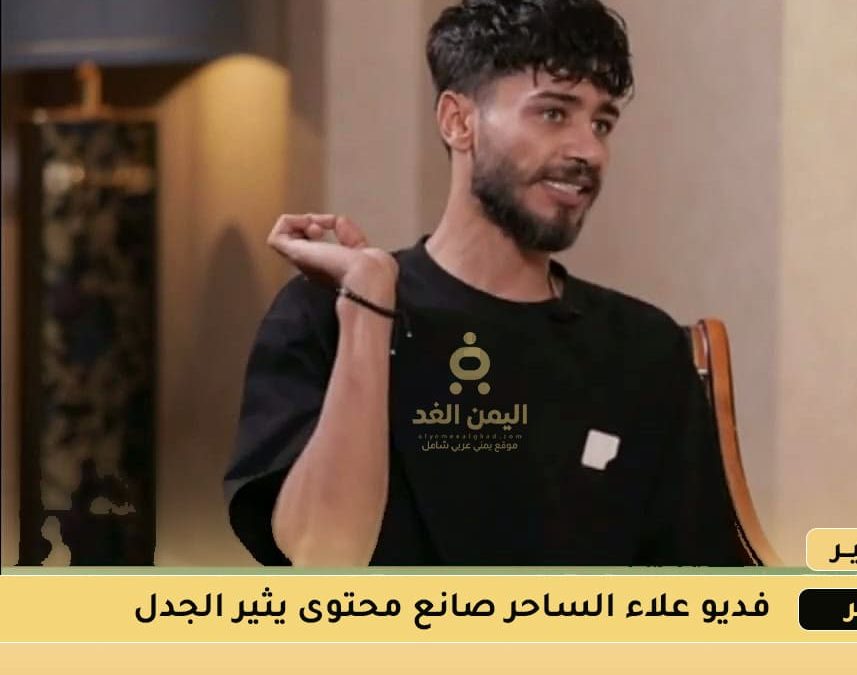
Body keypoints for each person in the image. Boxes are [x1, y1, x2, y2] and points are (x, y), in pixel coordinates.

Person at [223, 0, 748, 566]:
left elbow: (707, 587)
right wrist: (370, 304)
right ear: (458, 122)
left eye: (601, 123)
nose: (588, 151)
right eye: (553, 113)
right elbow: (323, 558)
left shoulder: (645, 349)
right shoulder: (322, 314)